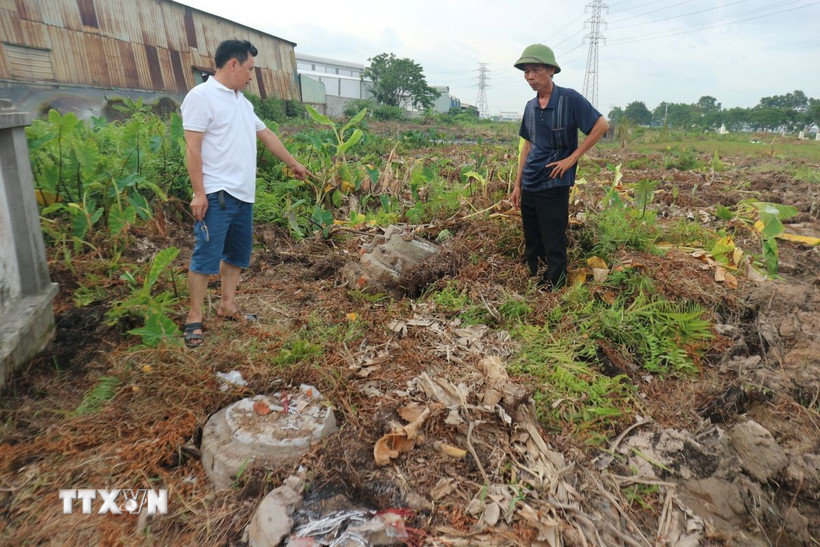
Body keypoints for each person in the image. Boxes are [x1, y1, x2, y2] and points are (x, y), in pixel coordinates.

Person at [180, 39, 307, 348]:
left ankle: (226, 305)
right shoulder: (202, 97)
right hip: (217, 193)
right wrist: (199, 192)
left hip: (243, 194)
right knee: (206, 255)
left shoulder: (242, 102)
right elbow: (192, 148)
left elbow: (266, 135)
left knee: (237, 255)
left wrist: (293, 163)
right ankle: (194, 317)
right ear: (233, 64)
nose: (252, 75)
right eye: (250, 68)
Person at [510, 44, 609, 290]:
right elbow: (527, 145)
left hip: (555, 181)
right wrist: (517, 183)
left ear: (551, 70)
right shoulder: (530, 107)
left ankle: (554, 284)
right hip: (531, 181)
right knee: (532, 235)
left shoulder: (570, 99)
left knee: (553, 235)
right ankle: (535, 275)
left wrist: (572, 158)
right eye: (526, 71)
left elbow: (601, 125)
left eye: (535, 70)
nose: (530, 76)